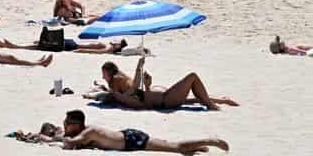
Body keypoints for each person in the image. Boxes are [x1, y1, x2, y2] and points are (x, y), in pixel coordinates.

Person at [59, 109, 229, 153]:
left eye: (67, 124)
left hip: (131, 141)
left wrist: (45, 139)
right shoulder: (86, 131)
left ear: (76, 124)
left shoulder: (88, 132)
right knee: (170, 146)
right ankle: (198, 147)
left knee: (175, 147)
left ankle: (210, 141)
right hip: (129, 138)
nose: (65, 126)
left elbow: (70, 142)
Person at [99, 58, 239, 110]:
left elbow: (135, 88)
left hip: (165, 97)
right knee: (192, 77)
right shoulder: (126, 99)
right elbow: (146, 105)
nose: (103, 77)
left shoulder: (124, 92)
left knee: (191, 98)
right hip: (166, 100)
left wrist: (140, 66)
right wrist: (148, 87)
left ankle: (221, 100)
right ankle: (211, 105)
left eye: (104, 74)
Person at [0, 36, 126, 54]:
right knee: (40, 42)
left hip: (73, 46)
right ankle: (14, 45)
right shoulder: (108, 46)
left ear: (118, 46)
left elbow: (96, 52)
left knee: (41, 45)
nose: (115, 40)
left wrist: (79, 50)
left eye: (118, 41)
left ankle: (13, 46)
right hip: (73, 44)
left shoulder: (108, 49)